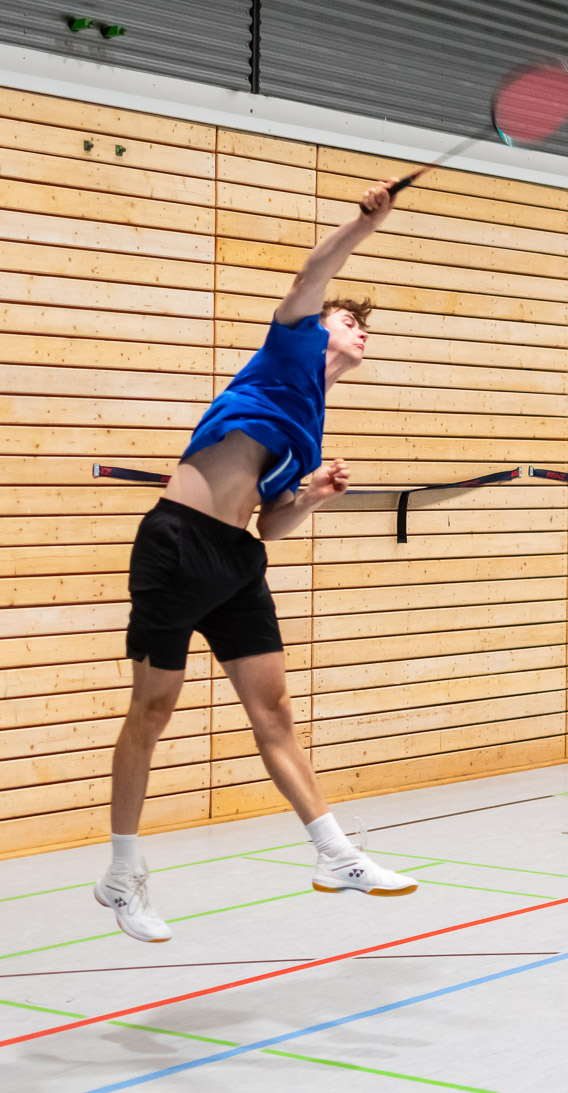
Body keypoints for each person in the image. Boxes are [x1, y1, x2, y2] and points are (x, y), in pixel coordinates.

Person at [95, 179, 417, 943]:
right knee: (153, 710)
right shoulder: (289, 347)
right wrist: (364, 223)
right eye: (350, 320)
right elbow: (313, 273)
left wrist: (314, 494)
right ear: (321, 326)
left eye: (362, 326)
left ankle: (335, 853)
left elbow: (270, 524)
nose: (360, 331)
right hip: (178, 543)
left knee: (274, 711)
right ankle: (121, 874)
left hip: (238, 560)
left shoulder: (309, 421)